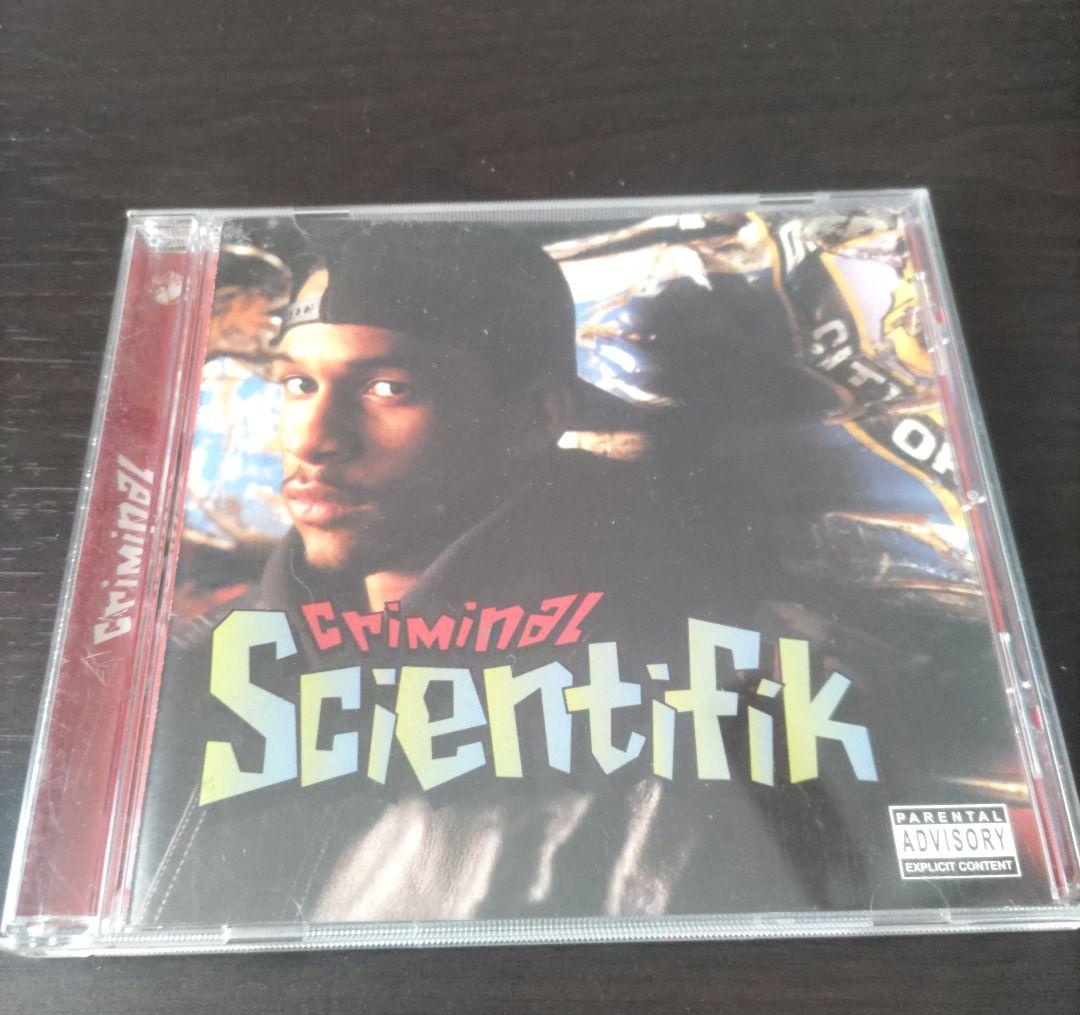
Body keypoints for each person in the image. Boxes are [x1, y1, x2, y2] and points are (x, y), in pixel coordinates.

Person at [132, 221, 905, 929]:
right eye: (298, 384)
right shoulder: (195, 674)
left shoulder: (707, 706)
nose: (314, 439)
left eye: (388, 388)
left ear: (534, 419)